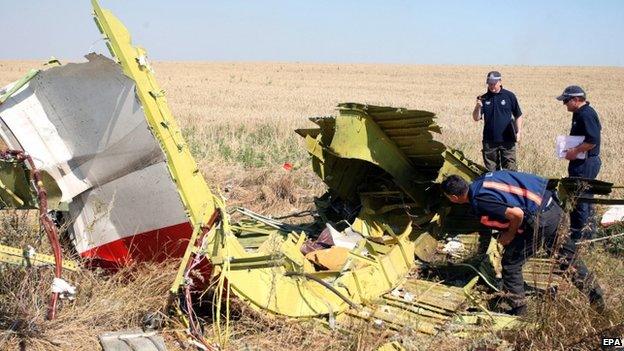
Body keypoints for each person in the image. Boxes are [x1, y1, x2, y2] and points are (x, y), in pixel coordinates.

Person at [440, 171, 605, 316]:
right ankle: (596, 298)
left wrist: (509, 235)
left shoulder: (480, 200)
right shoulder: (483, 180)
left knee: (511, 263)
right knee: (568, 260)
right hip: (552, 207)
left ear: (454, 198)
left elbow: (516, 214)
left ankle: (519, 310)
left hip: (541, 219)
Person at [557, 85, 602, 241]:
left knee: (580, 200)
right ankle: (585, 237)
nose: (564, 104)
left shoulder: (586, 115)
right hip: (582, 162)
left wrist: (574, 151)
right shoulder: (579, 113)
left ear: (576, 100)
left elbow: (592, 141)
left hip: (586, 163)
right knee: (582, 199)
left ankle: (580, 240)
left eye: (566, 101)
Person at [472, 71, 523, 171]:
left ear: (500, 82)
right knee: (491, 173)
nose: (491, 86)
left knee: (510, 171)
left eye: (494, 84)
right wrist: (478, 107)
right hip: (489, 141)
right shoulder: (483, 98)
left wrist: (519, 132)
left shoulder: (509, 96)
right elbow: (476, 118)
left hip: (508, 140)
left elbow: (518, 115)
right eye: (489, 84)